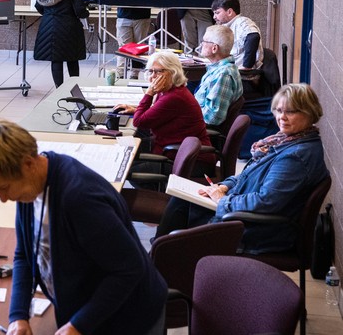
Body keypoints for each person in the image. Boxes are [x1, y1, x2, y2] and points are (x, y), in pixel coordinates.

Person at [0, 120, 167, 335]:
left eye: (4, 188)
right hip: (89, 309)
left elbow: (129, 269)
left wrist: (79, 324)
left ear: (28, 164)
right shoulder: (30, 191)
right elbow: (25, 255)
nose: (4, 198)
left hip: (128, 317)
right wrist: (18, 315)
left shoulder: (79, 198)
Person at [157, 83, 329, 254]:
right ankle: (161, 261)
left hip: (259, 231)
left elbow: (265, 201)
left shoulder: (295, 157)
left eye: (290, 111)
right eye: (278, 110)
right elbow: (249, 174)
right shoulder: (286, 141)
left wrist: (222, 201)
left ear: (309, 113)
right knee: (182, 201)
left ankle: (163, 261)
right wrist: (225, 186)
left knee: (179, 220)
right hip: (248, 218)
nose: (281, 117)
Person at [113, 52, 214, 184]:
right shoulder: (172, 91)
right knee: (128, 159)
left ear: (172, 73)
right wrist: (136, 109)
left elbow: (139, 122)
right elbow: (157, 110)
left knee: (126, 170)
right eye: (150, 71)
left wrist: (149, 93)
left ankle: (155, 198)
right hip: (175, 152)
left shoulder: (174, 97)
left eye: (158, 72)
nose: (152, 77)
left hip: (190, 162)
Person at [33, 0, 88, 88]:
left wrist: (50, 16)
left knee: (56, 60)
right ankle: (74, 89)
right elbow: (79, 10)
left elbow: (39, 6)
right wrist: (87, 12)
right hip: (70, 29)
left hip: (50, 28)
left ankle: (59, 90)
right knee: (72, 59)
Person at [194, 25, 244, 126]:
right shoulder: (217, 68)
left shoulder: (223, 74)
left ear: (214, 48)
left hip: (200, 129)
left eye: (204, 41)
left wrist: (185, 115)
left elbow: (213, 118)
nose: (201, 44)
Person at [116, 0, 152, 79]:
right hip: (125, 16)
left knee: (138, 48)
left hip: (141, 17)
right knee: (123, 48)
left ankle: (134, 75)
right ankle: (120, 75)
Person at [212, 0, 263, 70]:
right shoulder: (225, 26)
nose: (214, 17)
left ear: (229, 12)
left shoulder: (242, 22)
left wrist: (246, 67)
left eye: (217, 13)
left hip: (242, 74)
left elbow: (253, 37)